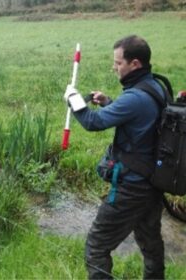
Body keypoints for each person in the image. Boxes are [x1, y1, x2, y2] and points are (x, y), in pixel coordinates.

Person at [64, 35, 165, 279]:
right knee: (150, 241)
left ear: (135, 64)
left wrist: (73, 100)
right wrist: (109, 102)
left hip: (132, 187)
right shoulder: (155, 87)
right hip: (153, 182)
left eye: (119, 63)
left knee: (96, 246)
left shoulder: (134, 98)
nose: (114, 67)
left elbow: (93, 122)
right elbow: (142, 120)